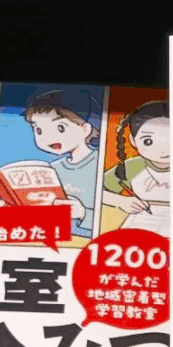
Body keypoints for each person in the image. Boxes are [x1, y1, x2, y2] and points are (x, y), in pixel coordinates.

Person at [23, 88, 102, 238]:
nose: (48, 138)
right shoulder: (52, 169)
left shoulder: (100, 164)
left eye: (60, 128)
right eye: (39, 130)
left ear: (85, 129)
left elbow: (114, 216)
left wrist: (83, 213)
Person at [102, 100, 171, 233]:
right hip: (142, 223)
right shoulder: (132, 166)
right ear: (133, 141)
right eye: (148, 141)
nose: (163, 150)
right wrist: (120, 201)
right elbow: (95, 191)